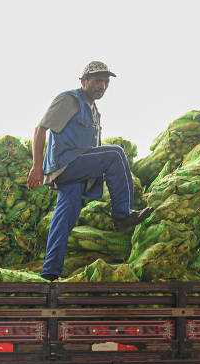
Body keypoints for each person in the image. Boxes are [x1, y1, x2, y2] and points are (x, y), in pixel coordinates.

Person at [27, 61, 153, 282]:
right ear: (83, 81)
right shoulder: (69, 100)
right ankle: (122, 215)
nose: (102, 86)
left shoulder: (95, 112)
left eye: (106, 82)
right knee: (115, 154)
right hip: (66, 164)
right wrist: (37, 167)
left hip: (78, 171)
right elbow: (40, 129)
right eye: (97, 80)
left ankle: (49, 273)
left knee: (65, 218)